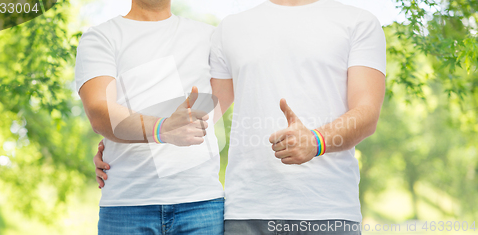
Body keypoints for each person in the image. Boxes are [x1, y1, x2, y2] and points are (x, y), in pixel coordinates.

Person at [95, 0, 386, 234]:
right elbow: (199, 114)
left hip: (328, 211)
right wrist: (117, 146)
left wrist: (316, 141)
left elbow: (367, 113)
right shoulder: (230, 29)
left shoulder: (358, 22)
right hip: (245, 213)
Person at [75, 0, 231, 234]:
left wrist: (127, 132)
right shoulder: (101, 37)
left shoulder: (209, 37)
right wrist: (162, 129)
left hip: (201, 203)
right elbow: (100, 112)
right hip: (127, 206)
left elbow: (223, 96)